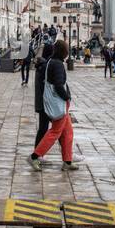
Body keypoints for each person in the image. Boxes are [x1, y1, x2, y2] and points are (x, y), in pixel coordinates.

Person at [29, 39, 75, 170]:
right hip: (59, 102)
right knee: (55, 131)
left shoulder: (50, 61)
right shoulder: (58, 64)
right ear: (64, 52)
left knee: (68, 132)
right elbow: (59, 85)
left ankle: (67, 161)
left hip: (53, 101)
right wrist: (67, 98)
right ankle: (35, 156)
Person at [32, 38, 51, 153]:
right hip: (46, 103)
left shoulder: (41, 64)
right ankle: (37, 153)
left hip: (42, 102)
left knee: (44, 129)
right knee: (59, 129)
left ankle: (37, 152)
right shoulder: (44, 66)